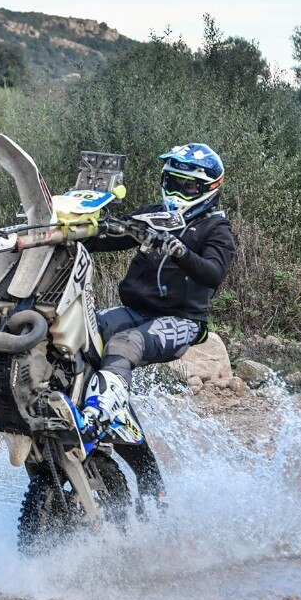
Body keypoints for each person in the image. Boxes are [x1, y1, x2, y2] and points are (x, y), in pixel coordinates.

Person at [80, 143, 236, 435]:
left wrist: (181, 252)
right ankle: (76, 401)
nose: (177, 193)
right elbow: (108, 238)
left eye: (187, 187)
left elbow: (214, 274)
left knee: (125, 343)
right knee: (84, 333)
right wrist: (79, 228)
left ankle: (97, 416)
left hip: (183, 321)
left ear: (208, 188)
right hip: (135, 311)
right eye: (172, 183)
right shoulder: (154, 215)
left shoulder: (216, 229)